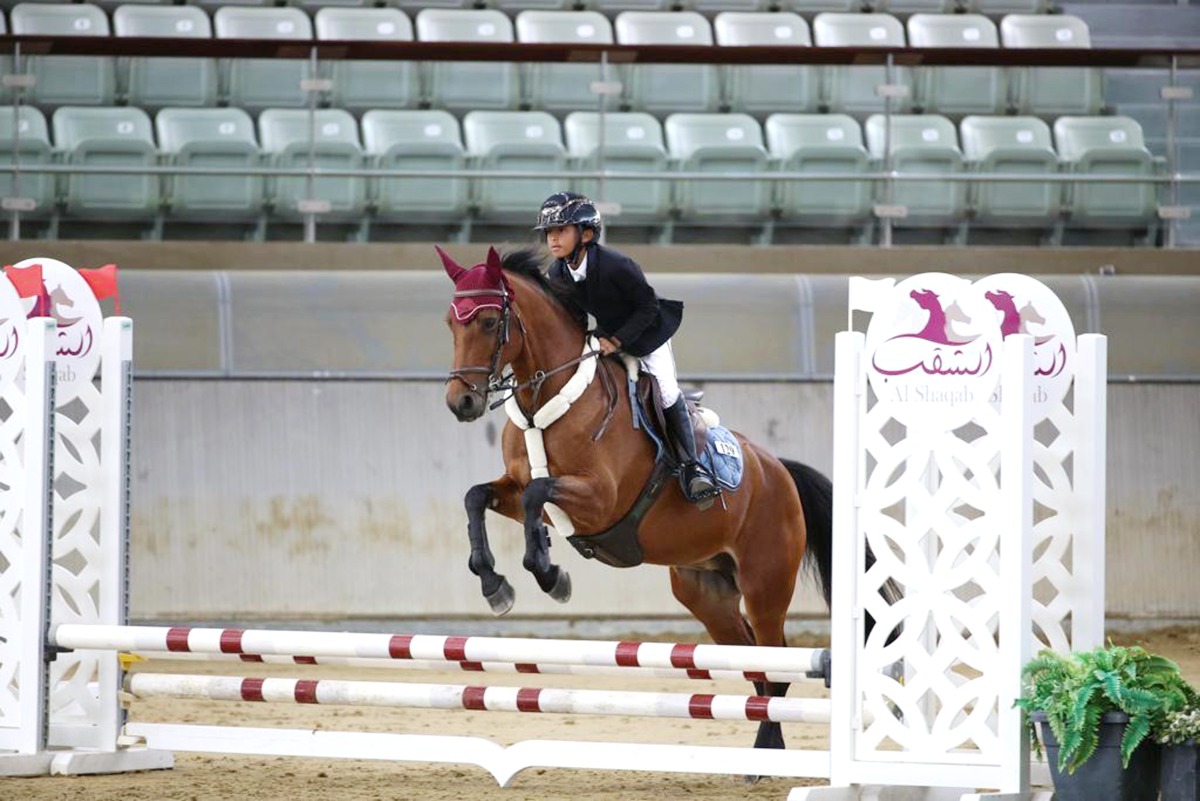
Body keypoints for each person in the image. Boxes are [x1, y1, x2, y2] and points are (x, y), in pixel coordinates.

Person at [534, 191, 717, 506]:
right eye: (549, 232)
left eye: (561, 230)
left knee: (666, 392)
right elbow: (574, 315)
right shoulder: (557, 273)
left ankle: (692, 467)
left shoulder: (617, 265)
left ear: (586, 233)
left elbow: (647, 307)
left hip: (648, 333)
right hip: (607, 334)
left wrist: (617, 341)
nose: (553, 239)